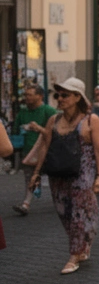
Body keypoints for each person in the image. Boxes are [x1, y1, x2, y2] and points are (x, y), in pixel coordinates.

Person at [24, 78, 99, 274]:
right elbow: (45, 147)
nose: (59, 98)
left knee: (79, 214)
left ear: (77, 97)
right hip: (58, 175)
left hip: (82, 176)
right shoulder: (53, 120)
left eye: (64, 95)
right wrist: (36, 173)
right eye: (57, 95)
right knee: (64, 214)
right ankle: (83, 244)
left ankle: (74, 255)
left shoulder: (91, 120)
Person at [13, 83, 57, 215]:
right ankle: (26, 203)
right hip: (28, 151)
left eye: (30, 95)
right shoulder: (23, 112)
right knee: (29, 177)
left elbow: (56, 132)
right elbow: (15, 130)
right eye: (26, 95)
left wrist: (39, 128)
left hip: (48, 151)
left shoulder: (49, 111)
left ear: (40, 96)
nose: (27, 97)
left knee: (55, 178)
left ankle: (60, 200)